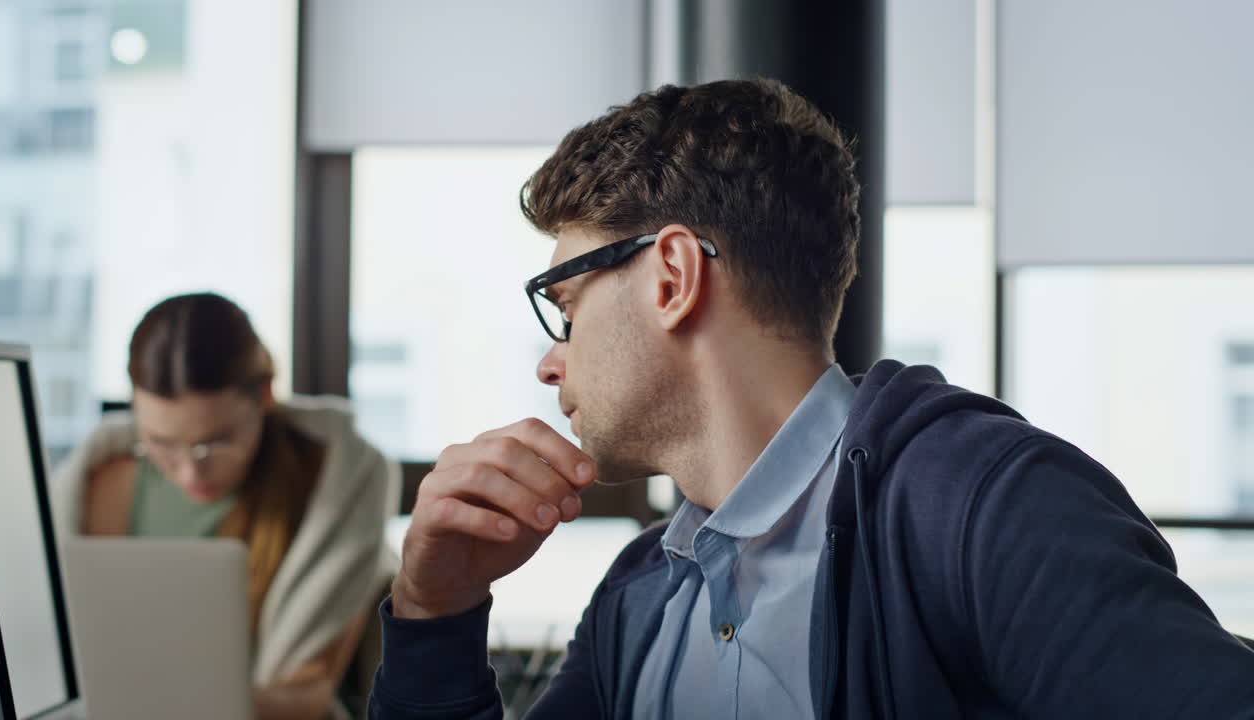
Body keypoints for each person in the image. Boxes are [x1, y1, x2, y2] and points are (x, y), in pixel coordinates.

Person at [367, 78, 1254, 719]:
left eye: (564, 307)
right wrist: (433, 611)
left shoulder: (981, 507)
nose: (550, 364)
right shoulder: (640, 597)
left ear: (671, 276)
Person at [54, 292, 399, 720]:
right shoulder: (99, 483)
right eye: (161, 443)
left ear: (265, 395)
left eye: (216, 442)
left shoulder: (332, 486)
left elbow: (307, 696)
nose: (189, 474)